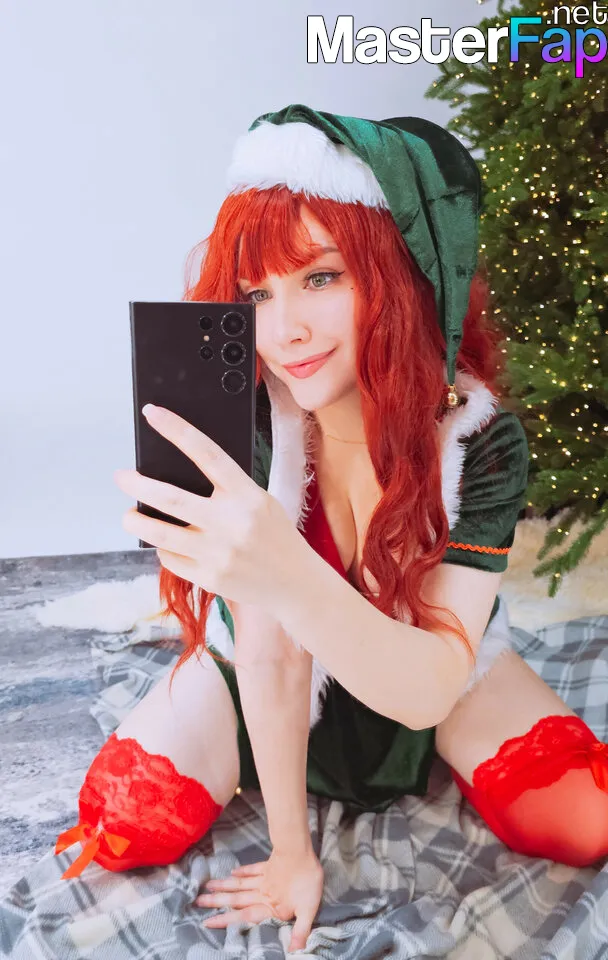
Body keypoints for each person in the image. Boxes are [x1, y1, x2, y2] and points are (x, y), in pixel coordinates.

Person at [55, 104, 608, 952]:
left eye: (321, 277)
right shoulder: (255, 421)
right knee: (125, 822)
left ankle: (426, 750)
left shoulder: (477, 436)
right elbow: (274, 655)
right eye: (258, 293)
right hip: (267, 675)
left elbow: (430, 684)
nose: (285, 333)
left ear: (402, 274)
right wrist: (292, 855)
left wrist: (283, 566)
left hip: (427, 664)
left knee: (583, 819)